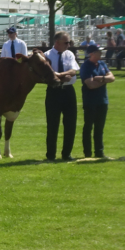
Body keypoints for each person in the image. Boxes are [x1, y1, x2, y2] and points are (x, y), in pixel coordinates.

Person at [44, 31, 80, 161]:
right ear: (57, 42)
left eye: (69, 42)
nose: (68, 45)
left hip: (68, 91)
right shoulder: (47, 55)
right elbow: (49, 74)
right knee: (53, 124)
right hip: (54, 92)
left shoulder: (69, 54)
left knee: (70, 124)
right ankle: (51, 155)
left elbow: (73, 70)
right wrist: (62, 77)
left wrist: (60, 75)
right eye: (66, 42)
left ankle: (67, 154)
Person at [80, 44, 114, 159]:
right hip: (90, 101)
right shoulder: (86, 66)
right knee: (88, 126)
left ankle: (99, 152)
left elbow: (112, 78)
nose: (101, 53)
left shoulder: (102, 64)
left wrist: (100, 78)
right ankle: (88, 153)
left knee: (99, 128)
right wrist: (105, 80)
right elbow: (91, 85)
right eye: (98, 52)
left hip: (102, 100)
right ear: (91, 53)